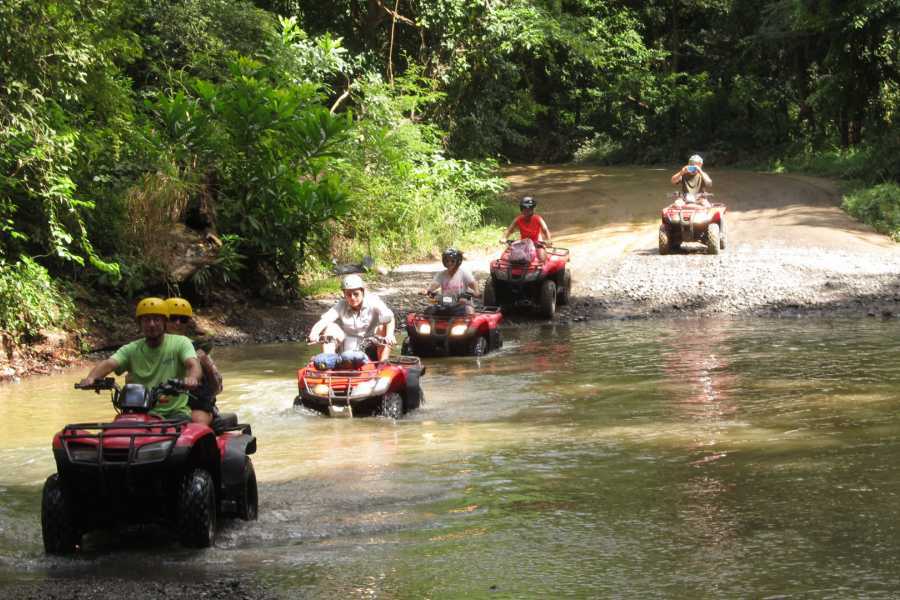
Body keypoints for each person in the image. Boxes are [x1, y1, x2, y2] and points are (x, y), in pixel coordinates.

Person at [79, 297, 201, 420]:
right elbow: (109, 363)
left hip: (174, 412)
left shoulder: (181, 343)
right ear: (140, 324)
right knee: (117, 429)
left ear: (165, 322)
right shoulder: (131, 349)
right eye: (146, 320)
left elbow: (193, 364)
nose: (152, 324)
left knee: (181, 433)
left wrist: (192, 378)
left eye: (156, 319)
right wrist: (92, 378)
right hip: (139, 411)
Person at [307, 274, 397, 361]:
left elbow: (390, 317)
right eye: (348, 295)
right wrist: (314, 333)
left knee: (382, 326)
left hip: (371, 347)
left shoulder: (373, 301)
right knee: (330, 327)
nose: (352, 298)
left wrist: (390, 334)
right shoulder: (341, 305)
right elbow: (324, 321)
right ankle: (328, 362)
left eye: (356, 294)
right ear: (344, 294)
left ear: (363, 292)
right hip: (347, 349)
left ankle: (382, 363)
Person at [165, 297, 223, 426]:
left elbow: (217, 388)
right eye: (173, 318)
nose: (178, 323)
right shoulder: (148, 348)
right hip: (158, 403)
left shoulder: (197, 350)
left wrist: (207, 366)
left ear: (188, 323)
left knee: (196, 424)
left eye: (183, 319)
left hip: (195, 405)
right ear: (163, 320)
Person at [421, 247, 479, 315]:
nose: (449, 263)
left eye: (452, 261)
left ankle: (470, 324)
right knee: (429, 311)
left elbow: (473, 283)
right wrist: (427, 290)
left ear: (458, 261)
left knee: (469, 312)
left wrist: (476, 291)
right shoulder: (441, 274)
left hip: (463, 302)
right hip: (446, 302)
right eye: (447, 261)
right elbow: (434, 284)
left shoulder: (464, 273)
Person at [502, 196, 553, 261]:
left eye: (530, 209)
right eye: (525, 209)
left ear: (533, 210)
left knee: (542, 259)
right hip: (524, 243)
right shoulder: (518, 219)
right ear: (522, 210)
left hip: (537, 243)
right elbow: (509, 230)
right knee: (505, 257)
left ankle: (545, 263)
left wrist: (549, 240)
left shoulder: (538, 219)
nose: (528, 211)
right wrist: (504, 238)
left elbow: (545, 230)